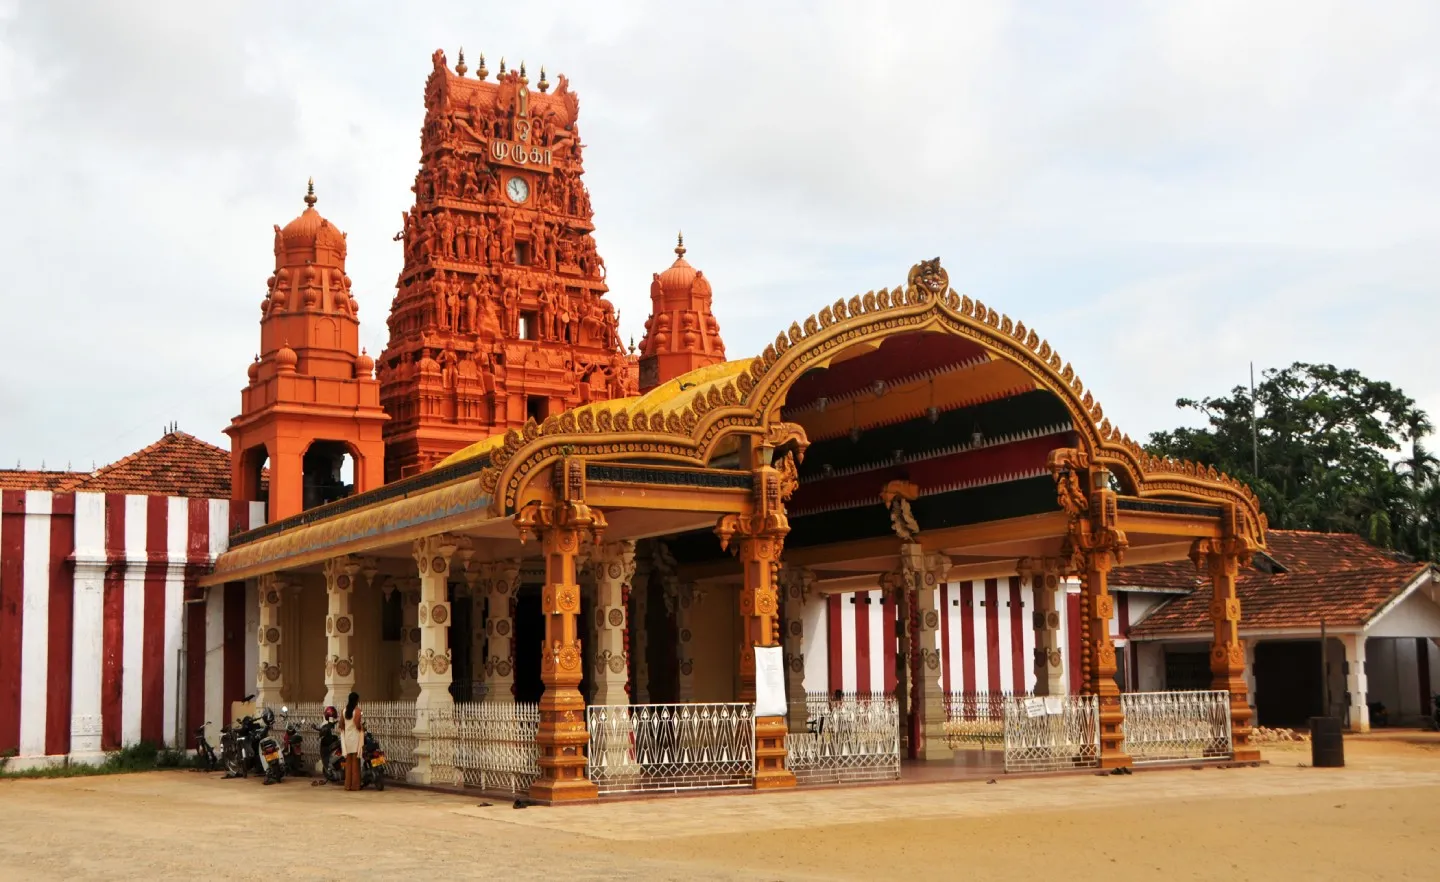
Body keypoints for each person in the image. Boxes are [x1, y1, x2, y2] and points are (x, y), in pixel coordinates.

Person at [339, 691, 364, 791]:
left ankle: (347, 785)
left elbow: (341, 724)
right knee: (355, 762)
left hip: (347, 738)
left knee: (348, 763)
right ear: (356, 700)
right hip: (355, 737)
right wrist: (362, 728)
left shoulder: (344, 711)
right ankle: (355, 785)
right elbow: (358, 724)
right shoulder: (357, 711)